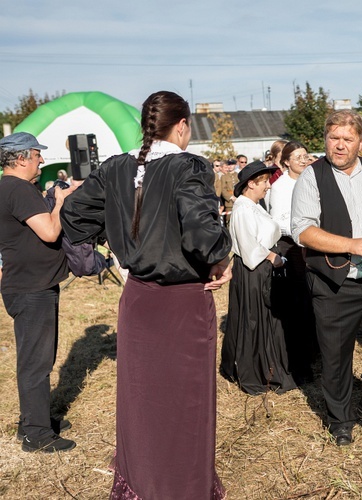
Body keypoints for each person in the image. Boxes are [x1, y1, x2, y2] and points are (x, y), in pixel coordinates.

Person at [61, 90, 232, 498]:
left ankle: (142, 486)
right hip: (183, 303)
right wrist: (222, 257)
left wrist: (118, 240)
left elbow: (74, 215)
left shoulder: (114, 168)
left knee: (143, 402)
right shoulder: (187, 166)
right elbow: (203, 235)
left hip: (138, 300)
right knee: (183, 406)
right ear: (183, 125)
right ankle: (181, 488)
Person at [291, 110, 362, 446]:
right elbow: (303, 230)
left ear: (360, 142)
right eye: (333, 138)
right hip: (334, 282)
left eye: (347, 139)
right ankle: (340, 418)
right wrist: (350, 245)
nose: (339, 146)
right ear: (325, 139)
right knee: (336, 354)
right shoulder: (312, 177)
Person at [0, 132, 75, 452]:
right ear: (21, 159)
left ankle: (36, 417)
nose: (42, 160)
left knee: (36, 359)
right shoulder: (19, 189)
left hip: (25, 284)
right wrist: (59, 203)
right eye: (37, 154)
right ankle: (36, 434)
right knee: (36, 362)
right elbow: (49, 231)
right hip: (32, 289)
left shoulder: (6, 188)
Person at [219, 160, 297, 394]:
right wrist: (273, 257)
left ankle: (267, 366)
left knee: (264, 321)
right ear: (251, 184)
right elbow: (248, 247)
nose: (268, 187)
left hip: (260, 271)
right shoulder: (243, 208)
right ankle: (257, 371)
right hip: (253, 274)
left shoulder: (253, 205)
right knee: (255, 322)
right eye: (264, 182)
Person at [267, 141, 317, 382]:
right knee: (299, 304)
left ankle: (314, 351)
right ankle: (300, 363)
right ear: (285, 161)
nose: (303, 160)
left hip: (314, 243)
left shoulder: (312, 179)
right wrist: (306, 228)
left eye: (305, 156)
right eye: (298, 156)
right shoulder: (280, 186)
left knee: (314, 299)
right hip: (293, 247)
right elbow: (278, 221)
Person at [220, 158, 240, 225]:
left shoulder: (239, 175)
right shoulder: (224, 177)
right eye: (228, 164)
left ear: (235, 165)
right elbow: (223, 189)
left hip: (239, 201)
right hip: (229, 203)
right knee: (229, 222)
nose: (230, 166)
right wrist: (231, 197)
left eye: (232, 164)